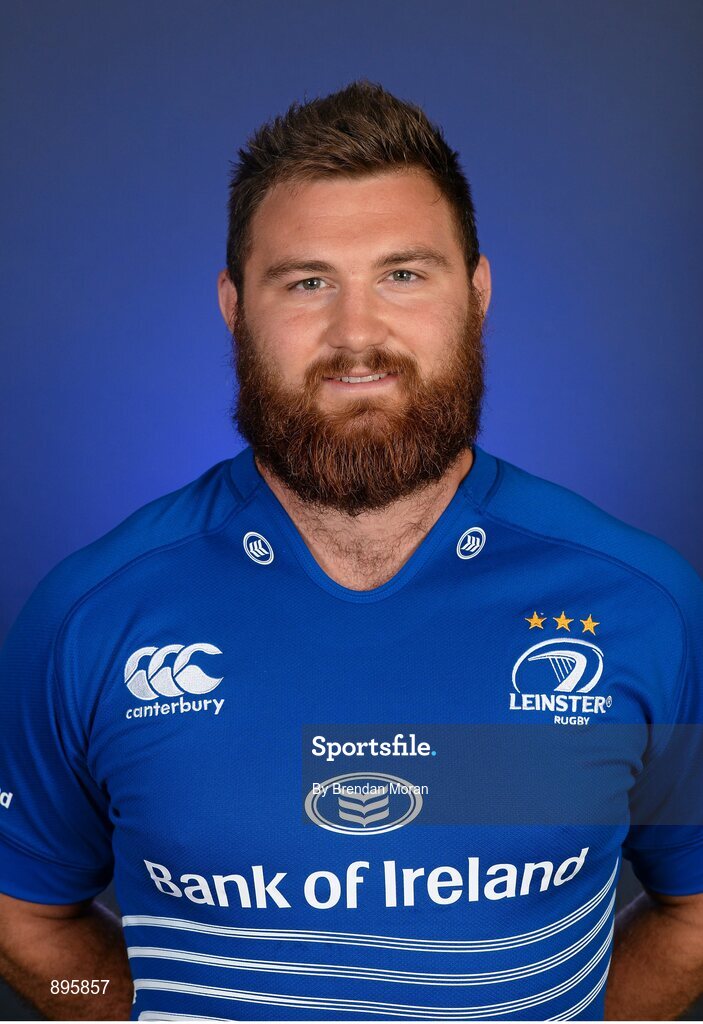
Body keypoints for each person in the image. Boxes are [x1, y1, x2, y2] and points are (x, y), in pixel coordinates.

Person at [0, 79, 701, 1023]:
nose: (357, 335)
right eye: (306, 282)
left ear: (478, 294)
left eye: (404, 274)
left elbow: (694, 913)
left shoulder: (643, 606)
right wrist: (137, 1012)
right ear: (232, 306)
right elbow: (24, 917)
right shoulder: (93, 615)